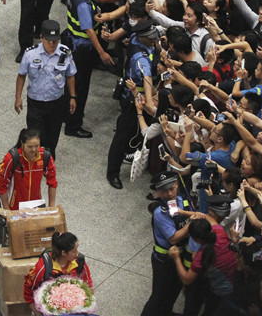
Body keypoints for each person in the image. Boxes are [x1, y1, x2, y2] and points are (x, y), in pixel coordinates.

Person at [106, 20, 160, 190]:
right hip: (134, 97)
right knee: (123, 135)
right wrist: (150, 102)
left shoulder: (137, 37)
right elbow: (147, 78)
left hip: (138, 94)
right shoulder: (140, 58)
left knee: (132, 130)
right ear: (143, 38)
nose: (154, 42)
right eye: (151, 40)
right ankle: (112, 172)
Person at [64, 0, 114, 139]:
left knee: (70, 82)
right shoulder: (84, 5)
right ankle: (73, 124)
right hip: (82, 49)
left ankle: (66, 114)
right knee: (80, 87)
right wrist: (102, 52)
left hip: (71, 41)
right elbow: (89, 31)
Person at [14, 20, 77, 159]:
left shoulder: (65, 53)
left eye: (55, 41)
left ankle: (48, 161)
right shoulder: (31, 54)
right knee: (34, 135)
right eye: (49, 40)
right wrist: (18, 98)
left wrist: (72, 97)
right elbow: (21, 76)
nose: (52, 44)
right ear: (41, 37)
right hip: (35, 102)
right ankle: (33, 160)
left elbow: (70, 76)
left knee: (52, 134)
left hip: (56, 102)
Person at [141, 172, 195, 316]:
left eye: (172, 188)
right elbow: (173, 238)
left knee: (174, 290)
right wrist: (191, 225)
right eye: (165, 190)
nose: (170, 193)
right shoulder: (160, 212)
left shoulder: (182, 200)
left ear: (177, 184)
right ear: (159, 191)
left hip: (180, 256)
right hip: (164, 260)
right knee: (158, 296)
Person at [22, 231, 93, 305]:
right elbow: (29, 291)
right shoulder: (43, 267)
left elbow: (88, 285)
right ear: (63, 253)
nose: (77, 253)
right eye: (74, 251)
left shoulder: (79, 262)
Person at [0, 128, 58, 210]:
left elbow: (52, 182)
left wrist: (51, 206)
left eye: (37, 146)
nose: (34, 150)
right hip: (15, 206)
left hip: (36, 205)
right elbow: (1, 184)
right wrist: (6, 210)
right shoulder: (12, 158)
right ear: (22, 143)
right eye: (30, 146)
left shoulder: (45, 156)